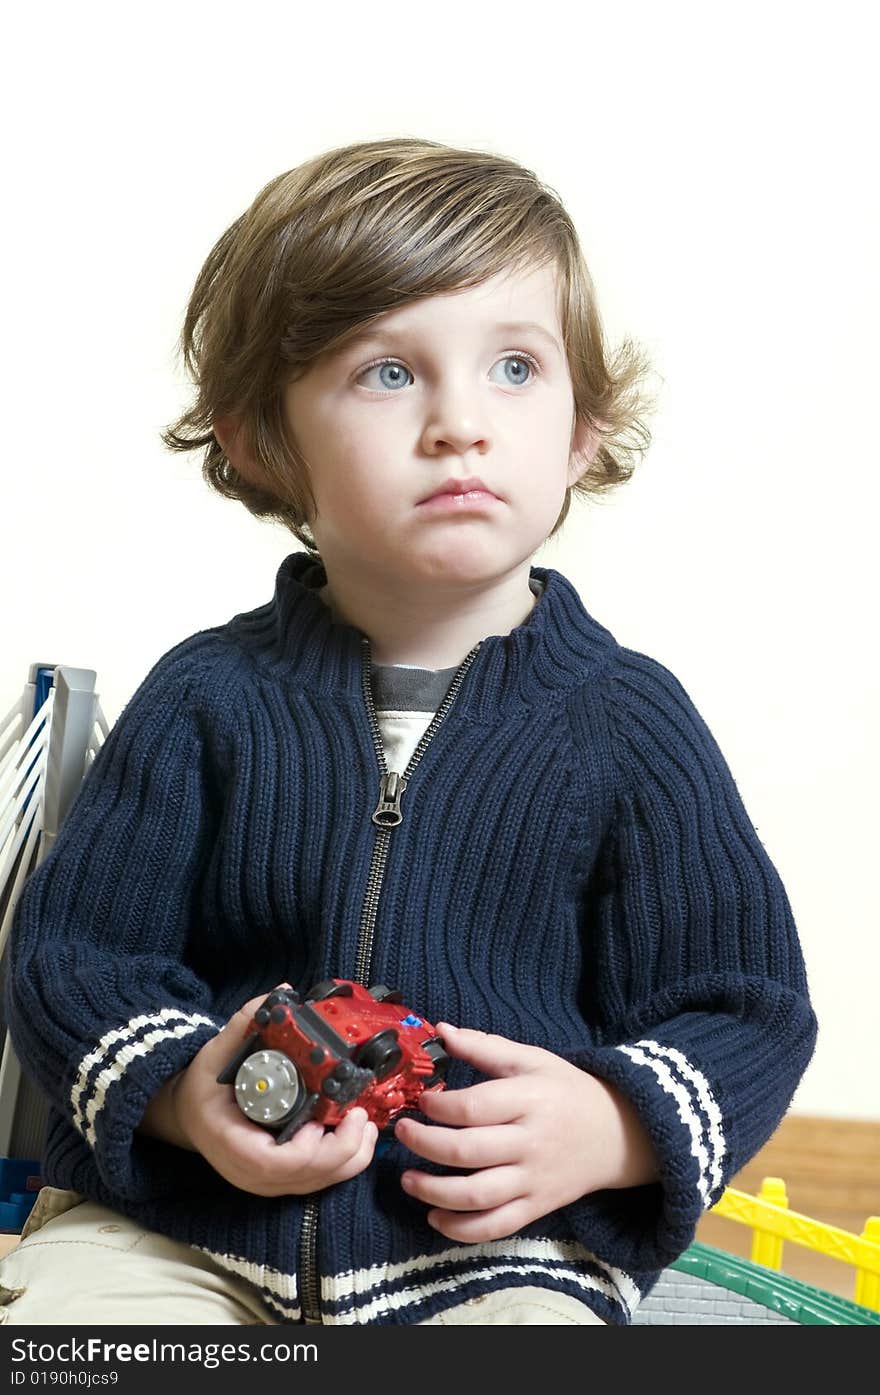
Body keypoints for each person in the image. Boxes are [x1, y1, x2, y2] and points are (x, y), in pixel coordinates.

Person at [1, 136, 817, 1327]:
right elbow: (80, 959)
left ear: (585, 427)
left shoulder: (628, 720)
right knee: (69, 1337)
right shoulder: (205, 696)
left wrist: (614, 1126)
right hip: (181, 1226)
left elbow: (742, 1001)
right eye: (388, 374)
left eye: (515, 369)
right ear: (261, 440)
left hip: (493, 1245)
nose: (458, 424)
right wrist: (187, 1098)